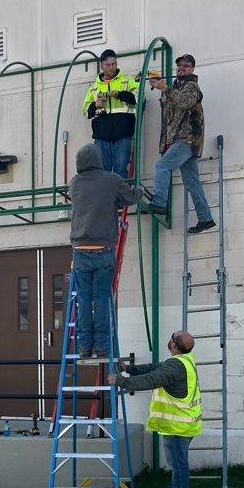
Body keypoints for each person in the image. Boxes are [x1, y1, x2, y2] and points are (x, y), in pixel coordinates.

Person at [105, 329, 202, 488]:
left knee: (177, 463)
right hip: (185, 423)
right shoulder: (184, 360)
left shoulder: (174, 367)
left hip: (178, 426)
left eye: (172, 336)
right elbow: (154, 368)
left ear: (174, 344)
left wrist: (119, 381)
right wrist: (129, 369)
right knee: (177, 462)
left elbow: (150, 379)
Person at [69, 143, 140, 359]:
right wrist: (140, 190)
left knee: (83, 299)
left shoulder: (74, 183)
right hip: (103, 249)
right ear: (98, 160)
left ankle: (84, 347)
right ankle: (101, 347)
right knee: (101, 299)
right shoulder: (111, 180)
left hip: (79, 250)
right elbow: (130, 197)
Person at [143, 54, 216, 234]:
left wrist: (165, 88)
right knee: (192, 183)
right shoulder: (176, 87)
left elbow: (184, 102)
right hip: (179, 141)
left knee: (162, 166)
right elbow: (169, 113)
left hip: (187, 139)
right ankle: (205, 218)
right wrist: (162, 88)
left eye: (186, 65)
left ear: (192, 68)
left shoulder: (192, 87)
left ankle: (159, 202)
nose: (181, 68)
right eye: (179, 65)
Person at [81, 49, 140, 179]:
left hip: (123, 136)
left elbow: (140, 98)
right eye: (108, 65)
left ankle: (120, 194)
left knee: (121, 172)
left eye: (113, 64)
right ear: (101, 66)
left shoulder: (127, 80)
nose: (111, 67)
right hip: (101, 138)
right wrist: (95, 104)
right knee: (102, 173)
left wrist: (119, 94)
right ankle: (106, 194)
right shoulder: (94, 87)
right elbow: (85, 111)